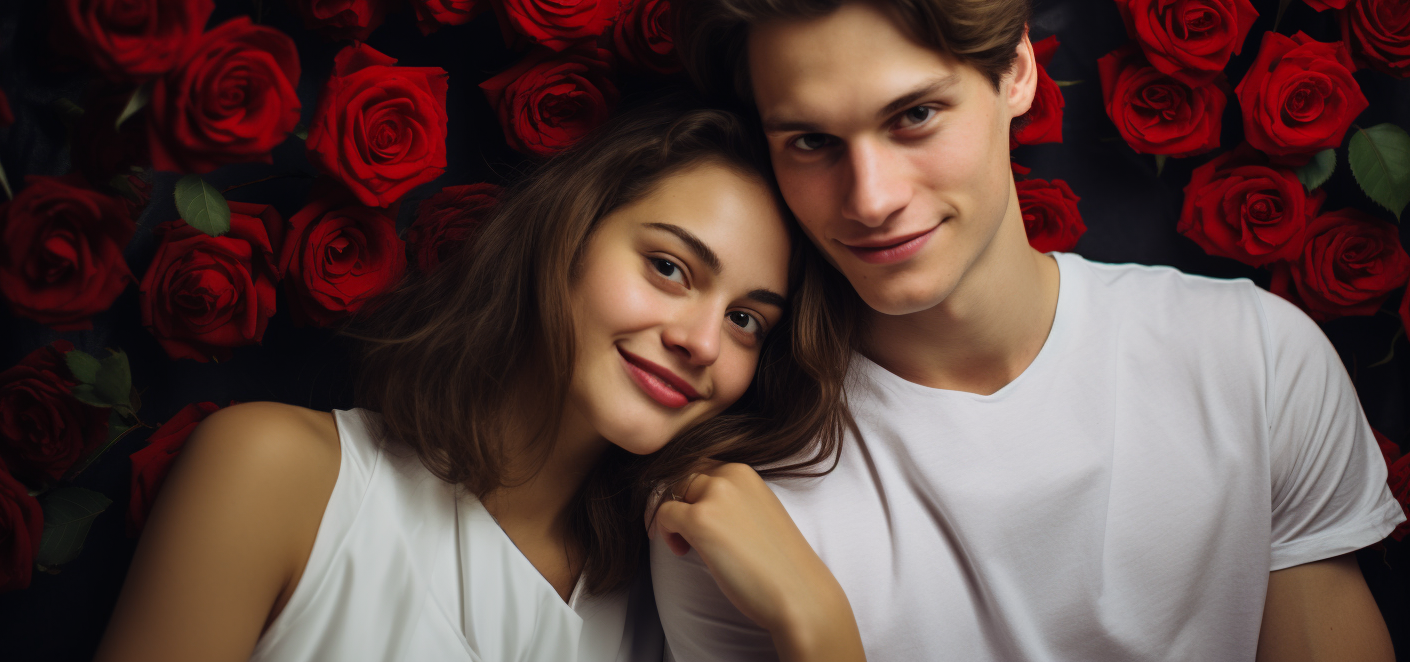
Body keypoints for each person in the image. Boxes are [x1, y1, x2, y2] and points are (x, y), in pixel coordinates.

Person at [649, 0, 1406, 662]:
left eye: (915, 116)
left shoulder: (1253, 360)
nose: (870, 198)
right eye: (810, 141)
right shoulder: (732, 494)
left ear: (1015, 72)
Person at [93, 104, 868, 662]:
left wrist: (817, 625)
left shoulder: (673, 608)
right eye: (668, 267)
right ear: (565, 236)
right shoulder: (281, 474)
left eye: (746, 322)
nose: (700, 341)